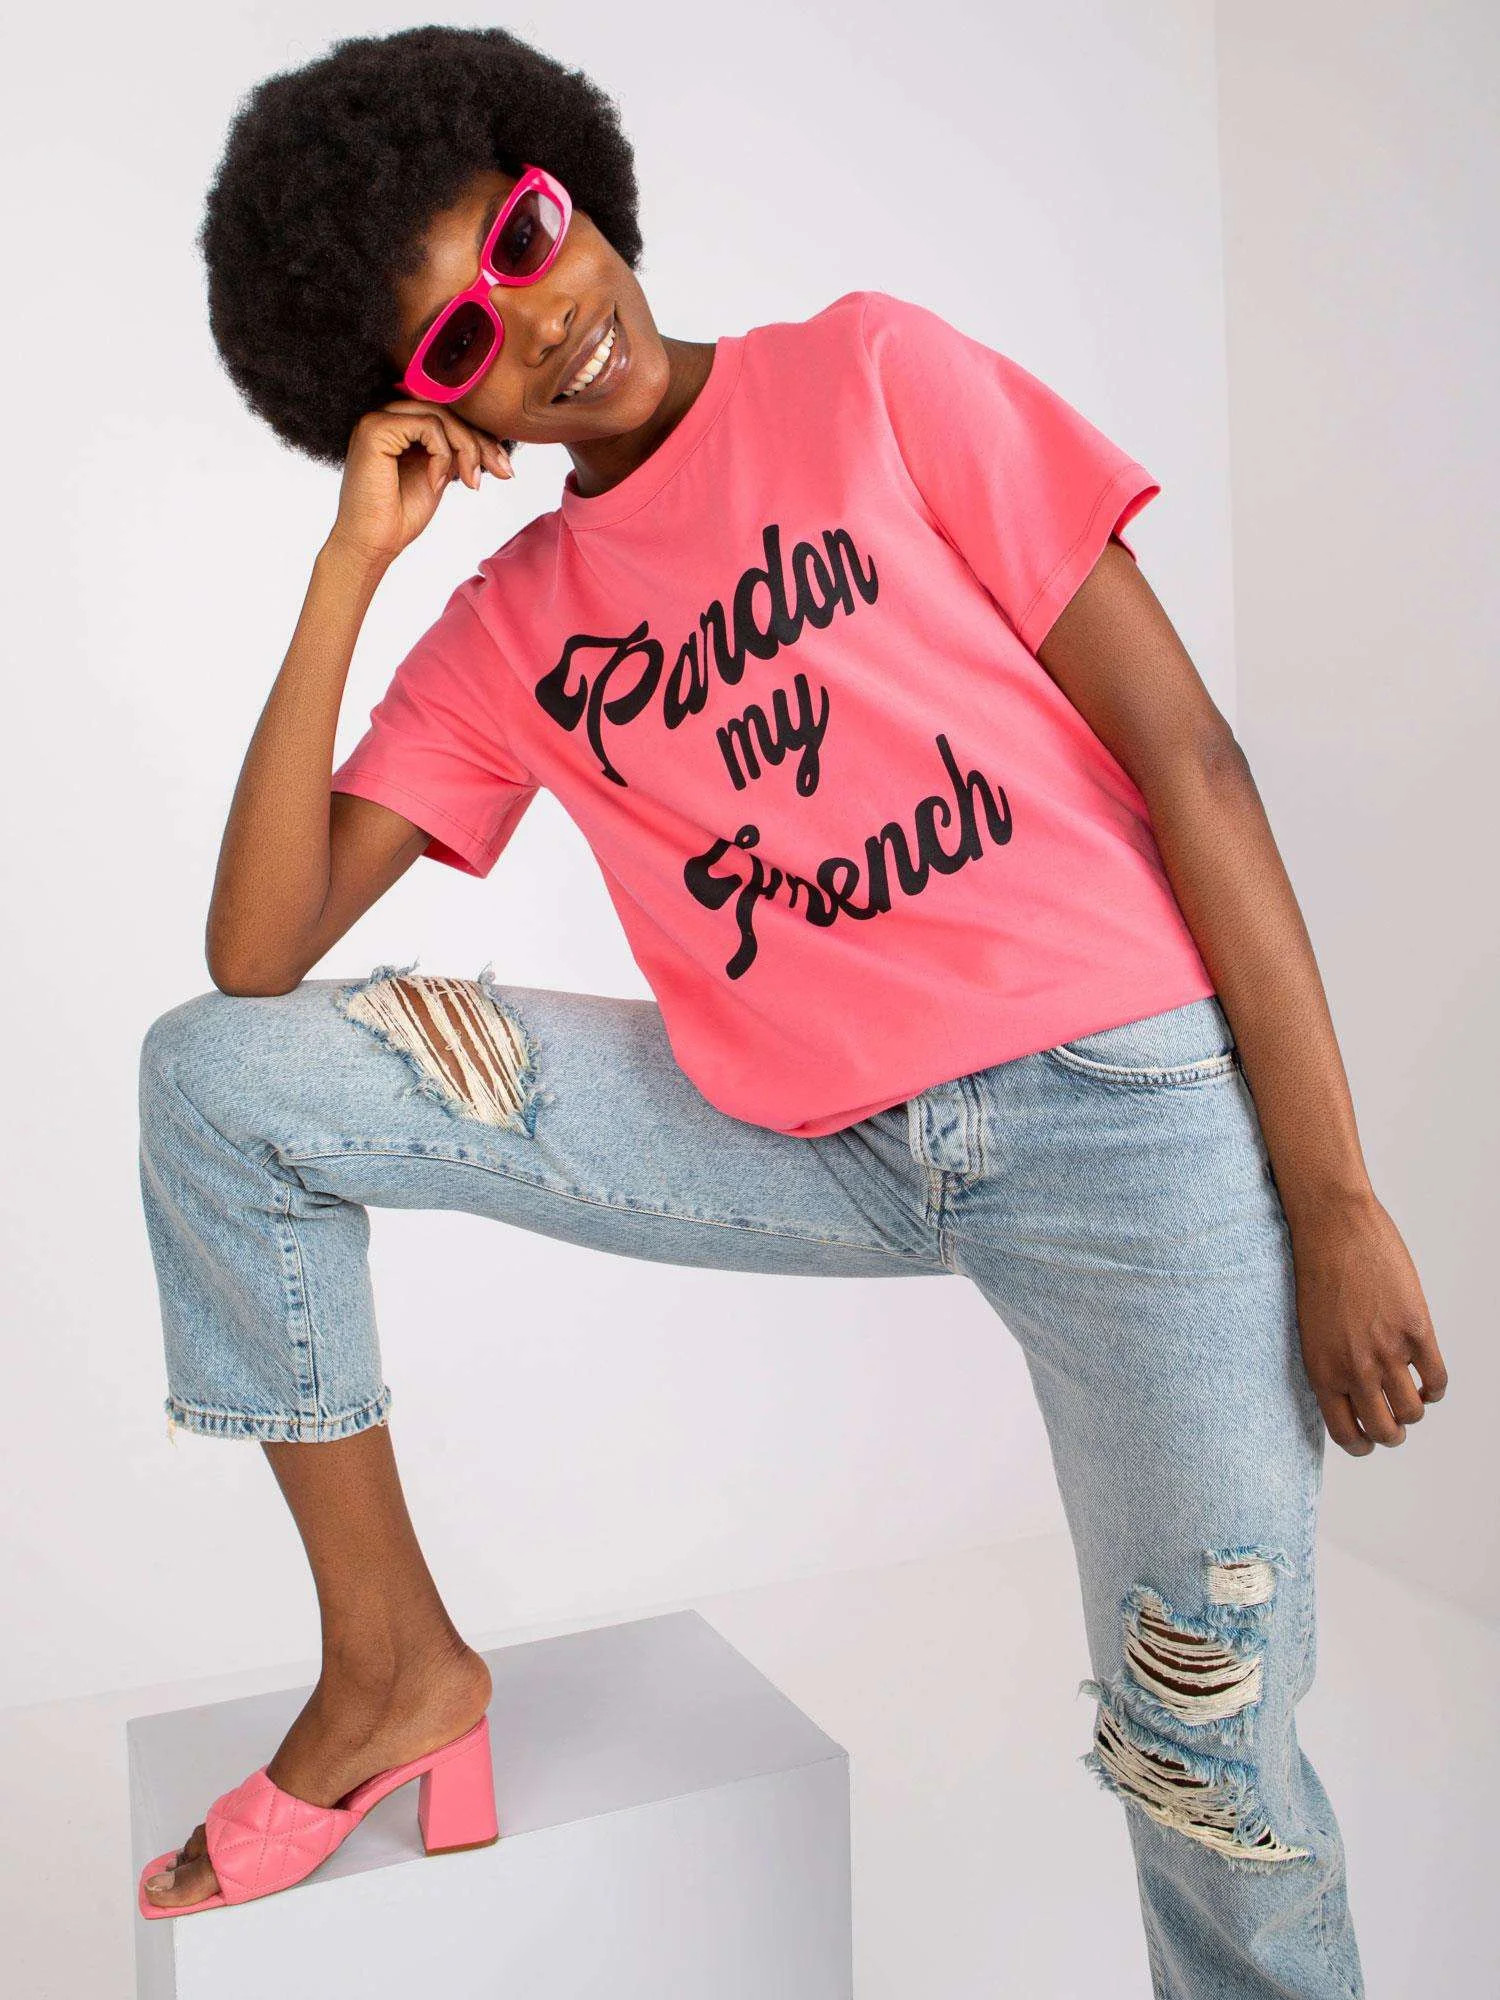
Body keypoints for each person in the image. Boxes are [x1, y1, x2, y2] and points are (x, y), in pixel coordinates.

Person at [135, 23, 1445, 1993]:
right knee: (216, 1080)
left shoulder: (873, 371)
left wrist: (1331, 1196)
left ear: (575, 185)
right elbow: (258, 950)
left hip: (1125, 1122)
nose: (537, 320)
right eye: (459, 341)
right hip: (805, 1138)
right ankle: (394, 1664)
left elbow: (1193, 760)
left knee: (1207, 1762)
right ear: (420, 405)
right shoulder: (512, 626)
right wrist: (353, 560)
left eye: (524, 239)